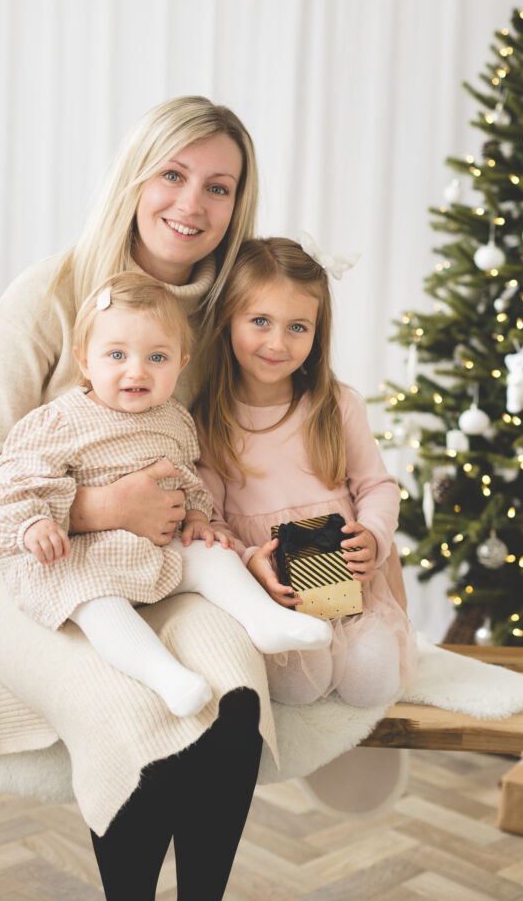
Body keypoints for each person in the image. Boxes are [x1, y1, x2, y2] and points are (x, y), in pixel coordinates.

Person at [0, 97, 279, 900]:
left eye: (218, 187)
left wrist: (243, 541)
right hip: (36, 562)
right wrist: (94, 509)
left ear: (238, 205)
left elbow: (237, 457)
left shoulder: (230, 312)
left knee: (233, 701)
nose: (191, 204)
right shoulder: (48, 295)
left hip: (163, 552)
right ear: (134, 177)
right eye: (172, 174)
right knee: (131, 710)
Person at [0, 272, 331, 718]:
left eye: (157, 357)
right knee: (95, 604)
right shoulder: (59, 422)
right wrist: (34, 522)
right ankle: (164, 675)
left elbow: (188, 481)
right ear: (84, 361)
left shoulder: (174, 420)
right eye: (116, 355)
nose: (137, 371)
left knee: (212, 553)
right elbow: (12, 481)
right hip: (81, 557)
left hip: (154, 548)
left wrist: (198, 518)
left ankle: (265, 621)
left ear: (181, 363)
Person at [194, 236, 417, 709]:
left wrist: (374, 537)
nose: (278, 343)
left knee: (372, 681)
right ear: (227, 319)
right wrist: (250, 558)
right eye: (260, 322)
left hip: (353, 586)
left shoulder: (335, 404)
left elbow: (377, 486)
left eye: (297, 327)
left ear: (318, 332)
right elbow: (208, 520)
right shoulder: (208, 420)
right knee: (298, 685)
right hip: (279, 592)